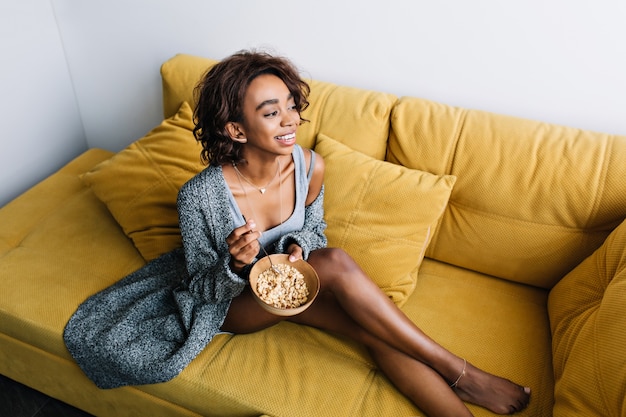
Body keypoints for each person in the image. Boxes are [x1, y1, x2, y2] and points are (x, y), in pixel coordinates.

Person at [64, 50, 531, 416]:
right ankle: (458, 370)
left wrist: (297, 246)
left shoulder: (311, 166)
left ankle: (460, 399)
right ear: (236, 128)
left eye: (291, 105)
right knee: (336, 263)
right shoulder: (200, 196)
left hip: (291, 286)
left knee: (372, 331)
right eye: (271, 112)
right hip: (233, 305)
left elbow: (313, 225)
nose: (290, 119)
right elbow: (201, 286)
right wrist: (235, 264)